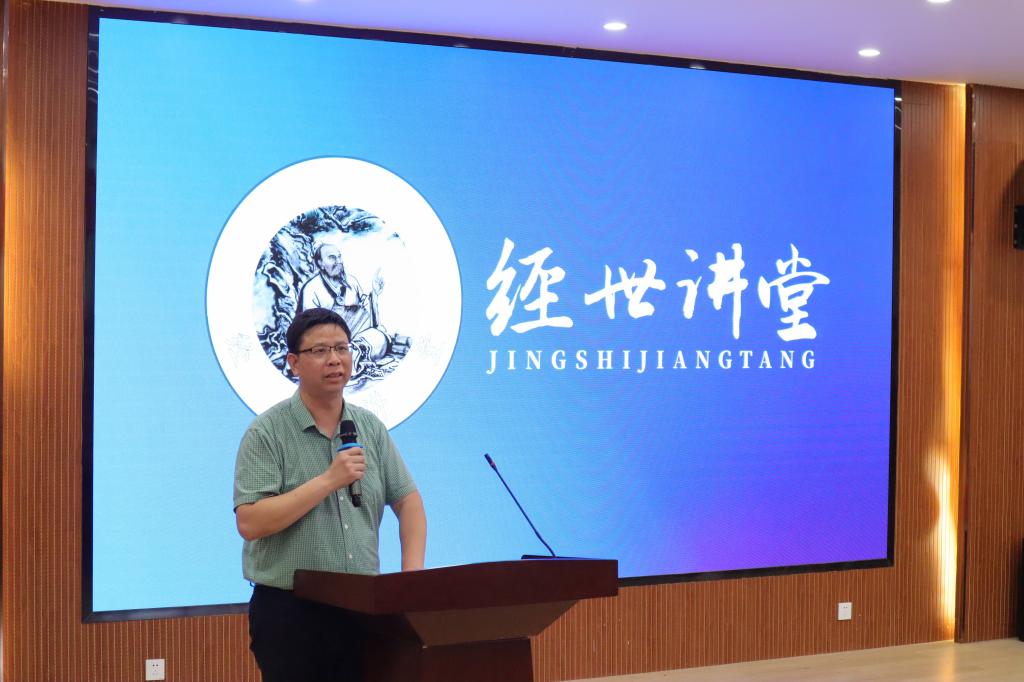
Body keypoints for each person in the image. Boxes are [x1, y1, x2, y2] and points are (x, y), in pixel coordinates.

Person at [233, 307, 427, 682]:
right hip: (292, 613)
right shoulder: (267, 433)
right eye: (320, 351)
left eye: (342, 348)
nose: (335, 359)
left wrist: (412, 579)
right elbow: (251, 522)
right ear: (294, 363)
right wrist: (327, 481)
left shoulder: (369, 427)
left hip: (365, 609)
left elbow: (408, 501)